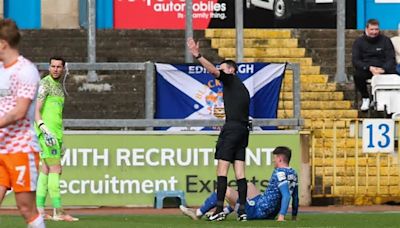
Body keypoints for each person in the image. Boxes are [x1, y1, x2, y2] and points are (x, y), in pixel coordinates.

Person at [187, 37, 250, 221]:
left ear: (231, 70)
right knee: (240, 173)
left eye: (223, 68)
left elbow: (213, 71)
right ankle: (243, 211)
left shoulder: (230, 79)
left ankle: (219, 209)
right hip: (243, 130)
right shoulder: (242, 88)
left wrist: (198, 55)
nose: (220, 71)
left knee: (222, 171)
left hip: (231, 129)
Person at [0, 19, 45, 228]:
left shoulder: (26, 71)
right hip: (1, 148)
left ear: (3, 43)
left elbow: (19, 112)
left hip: (21, 148)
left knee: (26, 208)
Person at [180, 146, 299, 222]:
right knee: (248, 186)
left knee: (224, 190)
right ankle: (225, 212)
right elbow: (295, 196)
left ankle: (198, 213)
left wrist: (281, 216)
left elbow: (287, 195)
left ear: (279, 159)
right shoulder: (293, 173)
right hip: (267, 210)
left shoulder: (279, 173)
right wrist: (294, 216)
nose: (273, 160)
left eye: (274, 158)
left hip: (258, 211)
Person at [34, 57, 78, 222]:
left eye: (59, 66)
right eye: (53, 66)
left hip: (56, 134)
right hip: (48, 135)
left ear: (63, 68)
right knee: (56, 169)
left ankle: (39, 210)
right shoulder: (45, 84)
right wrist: (45, 130)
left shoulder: (59, 86)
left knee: (45, 170)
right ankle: (58, 212)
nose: (56, 69)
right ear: (49, 67)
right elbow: (36, 110)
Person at [352, 18, 397, 111]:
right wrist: (369, 68)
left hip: (383, 68)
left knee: (395, 73)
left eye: (376, 29)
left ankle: (392, 101)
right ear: (366, 29)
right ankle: (366, 98)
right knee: (357, 75)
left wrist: (383, 69)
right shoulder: (358, 42)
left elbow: (391, 58)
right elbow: (356, 60)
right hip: (367, 68)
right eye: (372, 29)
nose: (374, 32)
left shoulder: (386, 40)